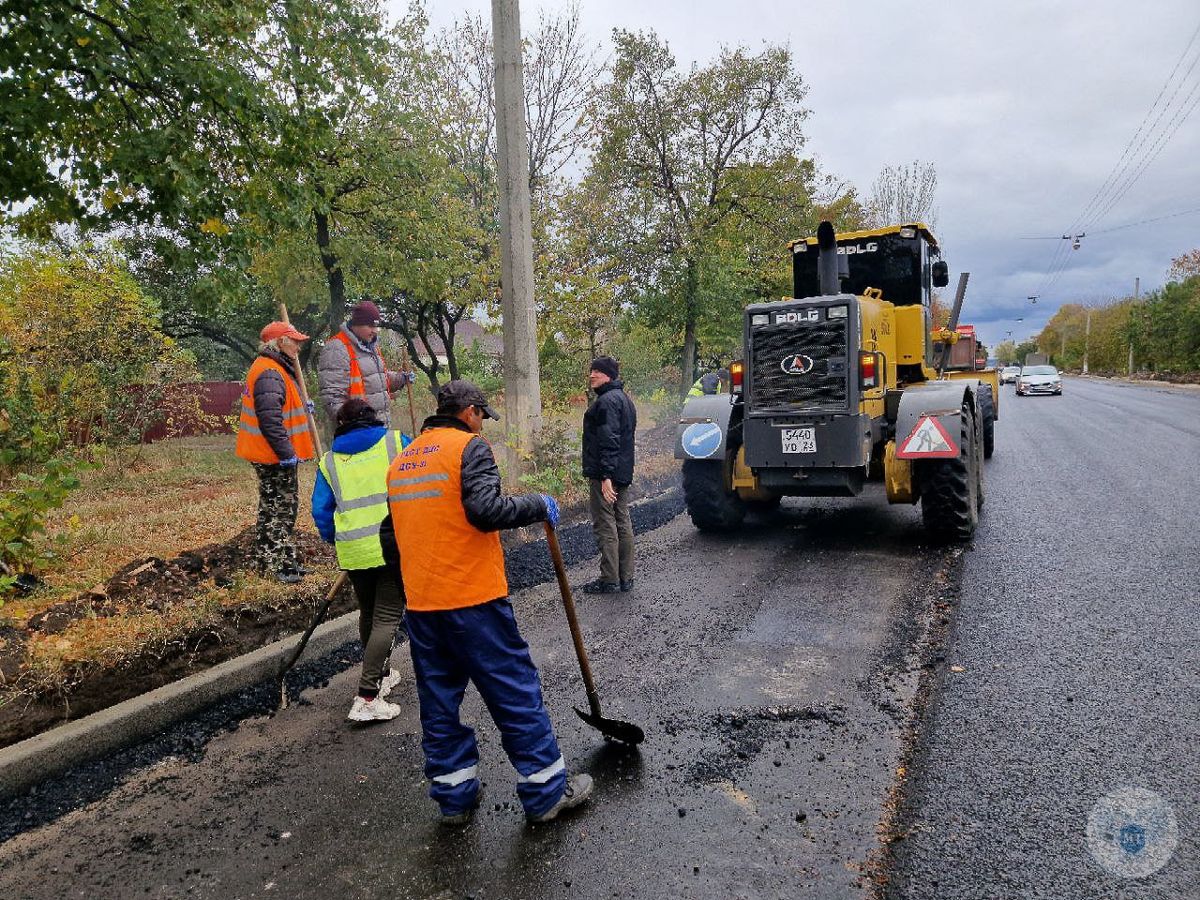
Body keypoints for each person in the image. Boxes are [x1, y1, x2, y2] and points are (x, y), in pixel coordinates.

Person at [387, 379, 593, 825]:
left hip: (423, 607)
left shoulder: (402, 462)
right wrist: (537, 503)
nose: (482, 427)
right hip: (473, 600)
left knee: (439, 700)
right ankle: (545, 792)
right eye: (482, 417)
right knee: (513, 688)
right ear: (469, 412)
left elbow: (390, 536)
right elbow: (485, 511)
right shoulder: (468, 449)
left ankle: (454, 797)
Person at [312, 398, 411, 723]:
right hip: (391, 545)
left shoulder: (329, 461)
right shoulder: (396, 443)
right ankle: (367, 696)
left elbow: (321, 511)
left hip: (354, 551)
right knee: (387, 617)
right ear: (373, 419)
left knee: (369, 613)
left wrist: (335, 539)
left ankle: (380, 677)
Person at [235, 321, 316, 584]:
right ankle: (273, 565)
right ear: (279, 342)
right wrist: (285, 452)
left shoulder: (275, 369)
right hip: (272, 456)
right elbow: (270, 419)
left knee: (280, 508)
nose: (298, 346)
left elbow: (280, 407)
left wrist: (304, 406)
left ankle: (281, 559)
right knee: (277, 509)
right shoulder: (270, 372)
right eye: (294, 341)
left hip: (272, 453)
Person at [580, 356, 637, 594]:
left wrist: (605, 477)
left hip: (608, 474)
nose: (592, 375)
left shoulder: (606, 402)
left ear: (609, 376)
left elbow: (609, 441)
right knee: (622, 520)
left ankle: (609, 580)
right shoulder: (625, 400)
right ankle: (626, 578)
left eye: (597, 371)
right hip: (622, 471)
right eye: (591, 370)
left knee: (605, 523)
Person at [318, 300, 415, 428]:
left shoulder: (371, 346)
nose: (375, 331)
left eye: (376, 326)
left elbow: (375, 379)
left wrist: (401, 378)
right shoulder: (337, 349)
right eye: (370, 326)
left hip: (380, 428)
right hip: (358, 433)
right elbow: (332, 398)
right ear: (355, 325)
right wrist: (352, 426)